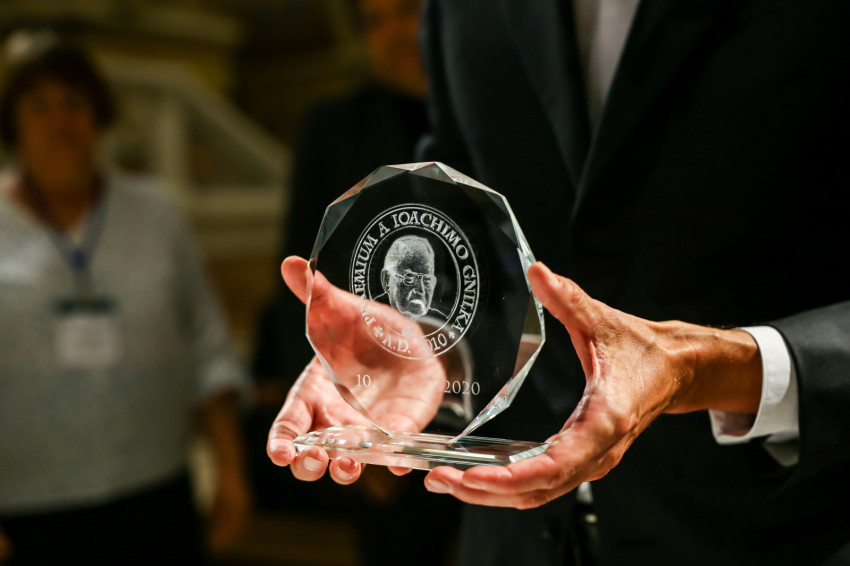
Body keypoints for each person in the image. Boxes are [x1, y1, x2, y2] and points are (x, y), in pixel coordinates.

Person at [268, 1, 850, 565]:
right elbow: (465, 211)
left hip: (771, 526)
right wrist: (421, 332)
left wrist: (707, 367)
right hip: (514, 536)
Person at [0, 32, 250, 565]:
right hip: (27, 506)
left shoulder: (158, 213)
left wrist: (230, 468)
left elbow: (208, 346)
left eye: (74, 101)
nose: (59, 121)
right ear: (12, 122)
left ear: (98, 113)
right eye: (38, 105)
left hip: (156, 493)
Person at [248, 0, 460, 564]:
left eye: (407, 11)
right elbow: (303, 268)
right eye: (374, 21)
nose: (394, 33)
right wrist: (348, 419)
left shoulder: (491, 112)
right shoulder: (332, 126)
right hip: (377, 398)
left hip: (499, 396)